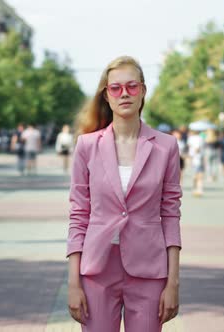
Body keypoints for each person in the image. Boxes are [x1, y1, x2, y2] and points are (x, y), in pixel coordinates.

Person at [67, 56, 182, 332]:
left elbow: (170, 215)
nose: (125, 94)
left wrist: (173, 282)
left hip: (149, 269)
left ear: (143, 90)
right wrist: (73, 282)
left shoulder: (165, 146)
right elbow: (78, 214)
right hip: (97, 269)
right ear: (107, 95)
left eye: (132, 86)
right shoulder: (87, 146)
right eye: (116, 88)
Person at [187, 129, 205, 197]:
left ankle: (197, 188)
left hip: (195, 158)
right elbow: (198, 148)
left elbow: (191, 147)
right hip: (197, 158)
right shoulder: (200, 138)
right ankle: (198, 189)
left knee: (197, 175)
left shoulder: (191, 138)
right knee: (199, 175)